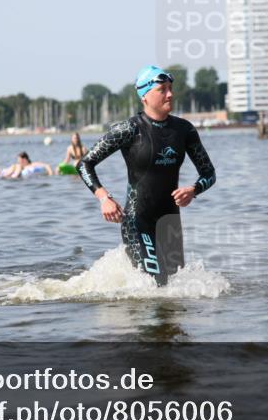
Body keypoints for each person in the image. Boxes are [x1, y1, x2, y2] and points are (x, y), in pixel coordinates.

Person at [77, 65, 216, 286]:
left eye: (170, 88)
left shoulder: (184, 130)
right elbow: (84, 164)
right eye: (162, 89)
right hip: (137, 220)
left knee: (174, 289)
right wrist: (104, 198)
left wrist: (194, 190)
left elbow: (209, 173)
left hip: (170, 221)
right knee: (155, 285)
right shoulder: (128, 129)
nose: (169, 94)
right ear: (144, 96)